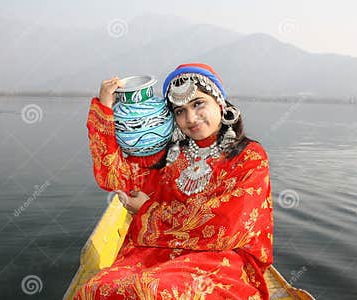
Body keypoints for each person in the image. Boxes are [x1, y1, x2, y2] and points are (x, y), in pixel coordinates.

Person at [76, 63, 273, 299]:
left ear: (219, 102)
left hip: (222, 258)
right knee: (95, 289)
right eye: (180, 111)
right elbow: (113, 176)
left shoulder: (249, 156)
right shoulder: (170, 155)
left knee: (155, 292)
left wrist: (148, 210)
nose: (190, 118)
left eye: (198, 104)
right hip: (154, 252)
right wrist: (105, 107)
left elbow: (226, 226)